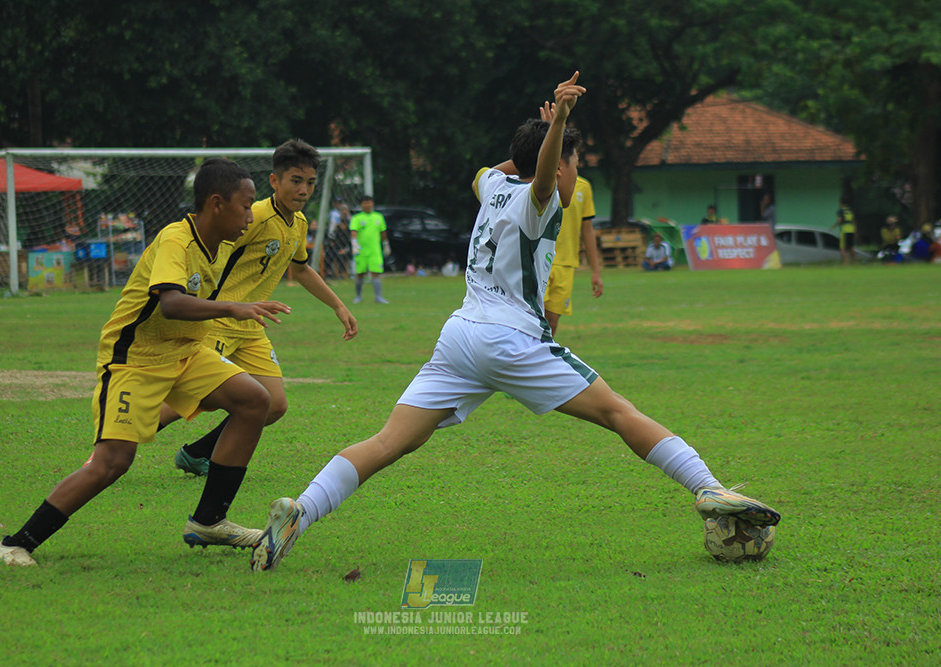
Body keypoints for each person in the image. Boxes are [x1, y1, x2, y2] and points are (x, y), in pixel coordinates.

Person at [247, 72, 781, 574]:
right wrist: (557, 132)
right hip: (511, 339)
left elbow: (508, 168)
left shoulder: (491, 186)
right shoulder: (539, 202)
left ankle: (302, 511)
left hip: (459, 336)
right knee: (619, 411)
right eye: (573, 161)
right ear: (555, 163)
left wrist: (543, 137)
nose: (575, 172)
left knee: (391, 441)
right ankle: (707, 487)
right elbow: (544, 176)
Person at [0, 158, 290, 566]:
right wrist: (233, 308)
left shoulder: (219, 247)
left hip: (185, 352)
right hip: (135, 359)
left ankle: (208, 521)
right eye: (245, 205)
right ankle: (17, 542)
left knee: (255, 401)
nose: (249, 215)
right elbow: (170, 303)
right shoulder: (176, 241)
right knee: (113, 462)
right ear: (217, 204)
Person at [162, 140, 358, 477]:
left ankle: (197, 454)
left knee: (273, 404)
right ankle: (115, 442)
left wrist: (338, 305)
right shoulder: (253, 216)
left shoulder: (297, 223)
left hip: (252, 325)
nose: (304, 189)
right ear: (274, 181)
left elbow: (300, 269)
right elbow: (211, 247)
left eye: (310, 182)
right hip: (219, 321)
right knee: (190, 397)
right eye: (296, 180)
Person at [538, 102, 602, 336]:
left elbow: (588, 230)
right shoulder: (543, 182)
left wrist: (596, 270)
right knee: (533, 320)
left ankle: (539, 364)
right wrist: (548, 134)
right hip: (539, 259)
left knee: (552, 324)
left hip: (566, 263)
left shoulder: (584, 187)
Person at [350, 195, 390, 304]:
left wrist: (386, 244)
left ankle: (378, 297)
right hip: (361, 251)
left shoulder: (378, 217)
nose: (368, 205)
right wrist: (354, 245)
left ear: (372, 204)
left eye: (369, 202)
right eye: (365, 203)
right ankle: (358, 296)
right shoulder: (357, 218)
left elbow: (383, 232)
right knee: (360, 273)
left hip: (375, 251)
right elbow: (354, 232)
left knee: (375, 272)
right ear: (361, 205)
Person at [832, 198, 857, 264]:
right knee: (851, 246)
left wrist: (834, 226)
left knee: (843, 247)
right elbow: (854, 221)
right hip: (851, 230)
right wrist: (855, 231)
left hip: (845, 230)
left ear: (841, 203)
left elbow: (840, 220)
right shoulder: (850, 210)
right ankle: (854, 261)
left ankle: (846, 263)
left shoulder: (841, 211)